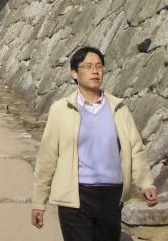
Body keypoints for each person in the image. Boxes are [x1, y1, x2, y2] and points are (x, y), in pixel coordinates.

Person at [31, 46, 158, 241]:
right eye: (88, 66)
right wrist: (39, 202)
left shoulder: (118, 108)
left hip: (111, 196)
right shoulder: (61, 110)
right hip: (75, 197)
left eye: (99, 66)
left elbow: (135, 149)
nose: (95, 71)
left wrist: (146, 184)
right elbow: (47, 158)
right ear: (74, 73)